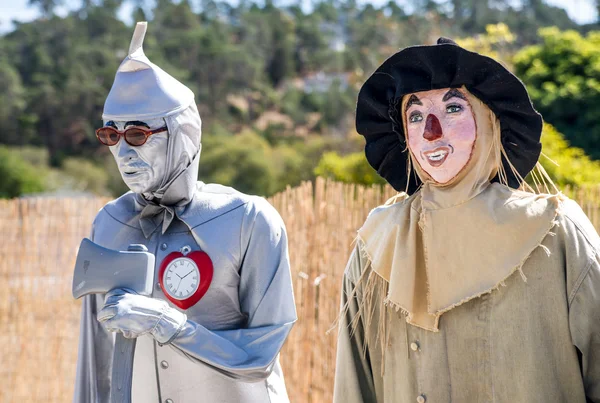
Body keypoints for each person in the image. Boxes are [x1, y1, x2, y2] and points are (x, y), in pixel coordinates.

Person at [333, 38, 600, 402]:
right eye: (414, 116)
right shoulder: (375, 246)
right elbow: (354, 388)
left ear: (489, 121)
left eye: (454, 109)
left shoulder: (556, 232)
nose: (431, 131)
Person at [73, 22, 296, 403]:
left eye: (138, 135)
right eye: (111, 135)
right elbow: (95, 363)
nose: (123, 153)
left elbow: (261, 354)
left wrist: (165, 323)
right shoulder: (107, 223)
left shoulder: (249, 220)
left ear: (183, 133)